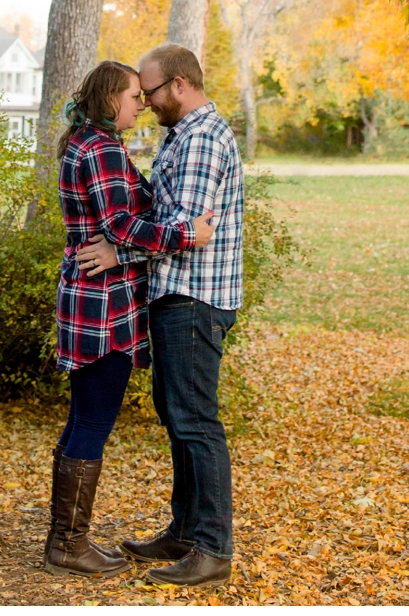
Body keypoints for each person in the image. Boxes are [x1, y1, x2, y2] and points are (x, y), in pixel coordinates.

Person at [76, 42, 247, 588]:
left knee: (195, 420)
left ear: (178, 84)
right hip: (176, 294)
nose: (145, 103)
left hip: (194, 297)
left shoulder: (200, 141)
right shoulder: (183, 136)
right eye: (138, 95)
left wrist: (116, 252)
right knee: (177, 416)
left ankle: (213, 548)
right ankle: (184, 529)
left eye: (148, 91)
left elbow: (183, 229)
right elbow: (159, 214)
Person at [49, 60, 214, 577]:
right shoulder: (98, 149)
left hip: (99, 296)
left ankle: (65, 538)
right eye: (133, 96)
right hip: (103, 305)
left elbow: (130, 213)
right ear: (109, 99)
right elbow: (122, 225)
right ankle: (68, 544)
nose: (141, 103)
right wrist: (188, 236)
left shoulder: (98, 144)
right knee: (93, 421)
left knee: (83, 418)